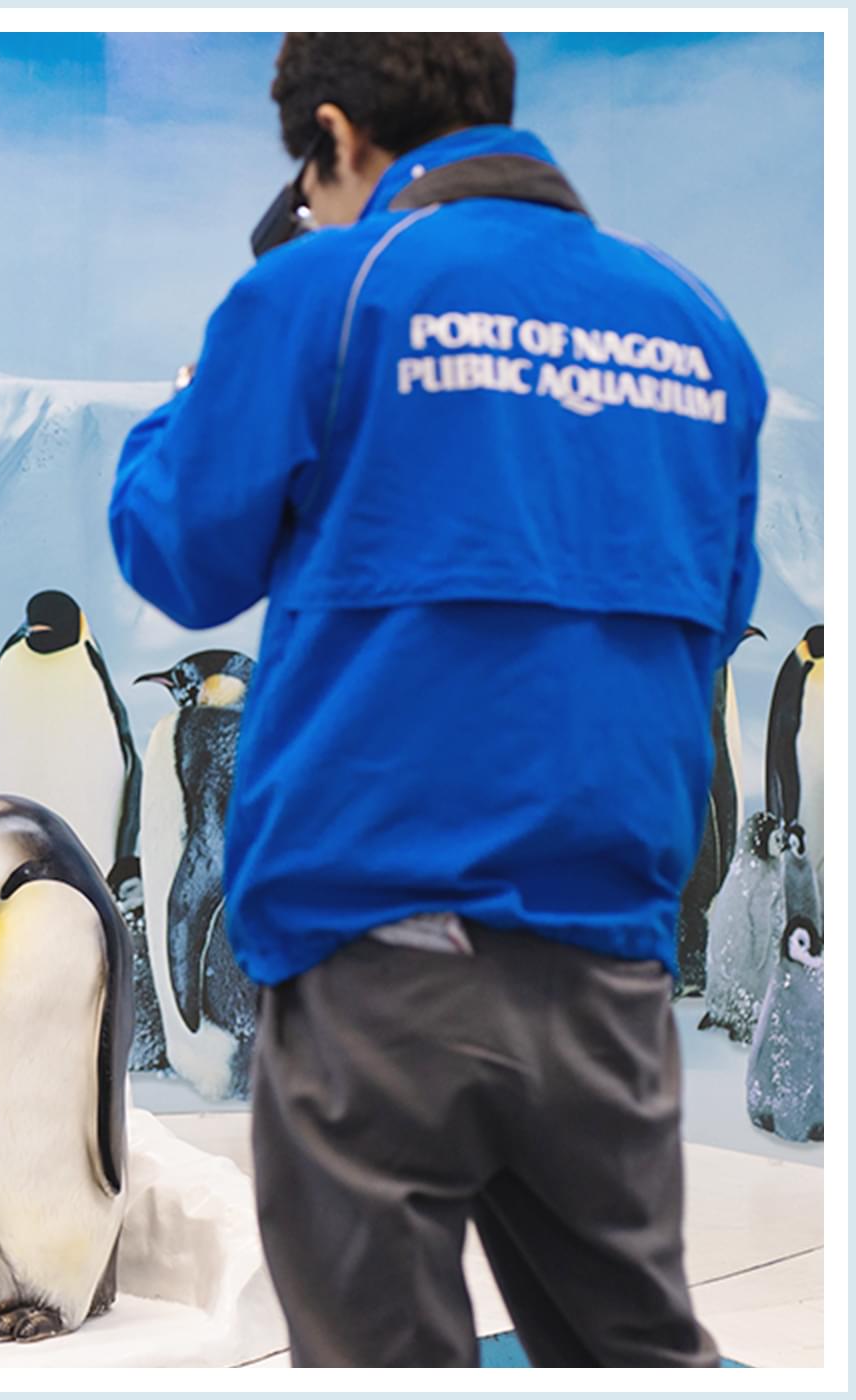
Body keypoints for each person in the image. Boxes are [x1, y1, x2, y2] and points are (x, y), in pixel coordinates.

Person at [107, 34, 758, 1367]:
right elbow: (717, 607)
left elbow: (178, 550)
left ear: (336, 138)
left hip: (377, 950)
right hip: (606, 958)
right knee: (628, 1353)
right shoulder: (700, 331)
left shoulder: (328, 291)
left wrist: (215, 364)